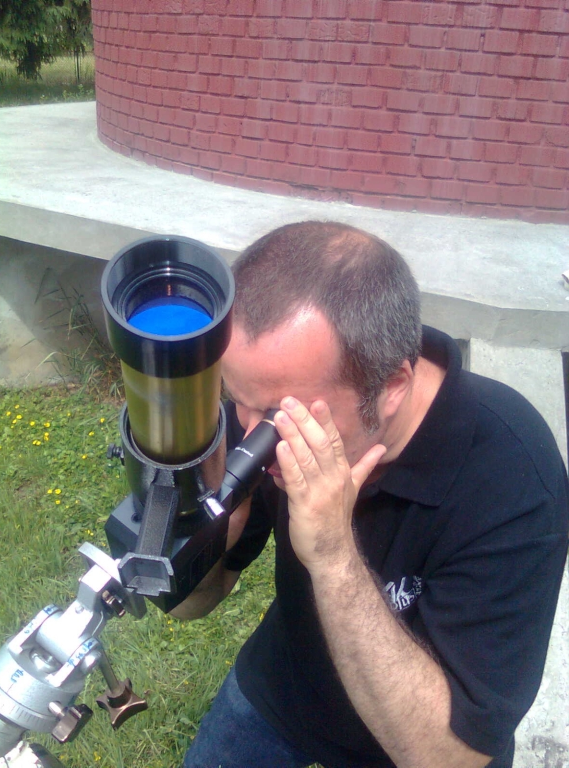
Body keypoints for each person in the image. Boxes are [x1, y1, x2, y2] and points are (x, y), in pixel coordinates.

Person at [173, 221, 569, 768]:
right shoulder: (268, 405)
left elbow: (450, 758)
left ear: (392, 387)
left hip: (415, 732)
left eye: (280, 416)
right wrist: (215, 527)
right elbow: (193, 605)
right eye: (236, 397)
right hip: (289, 686)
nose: (252, 435)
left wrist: (333, 554)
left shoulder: (512, 474)